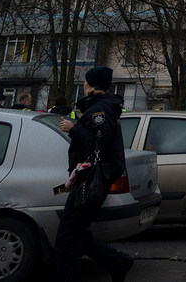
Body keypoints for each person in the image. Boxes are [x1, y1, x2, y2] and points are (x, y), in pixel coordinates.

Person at [56, 66, 134, 282]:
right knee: (75, 233)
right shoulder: (100, 107)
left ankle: (116, 263)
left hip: (90, 181)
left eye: (85, 81)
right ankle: (118, 262)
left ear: (91, 85)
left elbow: (99, 142)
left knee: (66, 238)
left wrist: (74, 129)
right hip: (86, 179)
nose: (83, 84)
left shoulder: (101, 110)